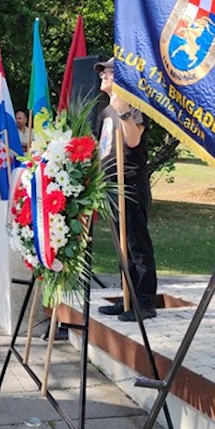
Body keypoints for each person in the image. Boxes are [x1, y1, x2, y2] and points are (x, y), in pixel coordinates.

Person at [94, 58, 158, 322]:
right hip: (110, 185)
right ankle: (127, 296)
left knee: (136, 244)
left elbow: (133, 139)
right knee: (122, 248)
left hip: (129, 183)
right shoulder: (103, 112)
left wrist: (123, 111)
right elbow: (102, 149)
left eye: (107, 72)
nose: (102, 76)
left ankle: (144, 302)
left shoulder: (133, 106)